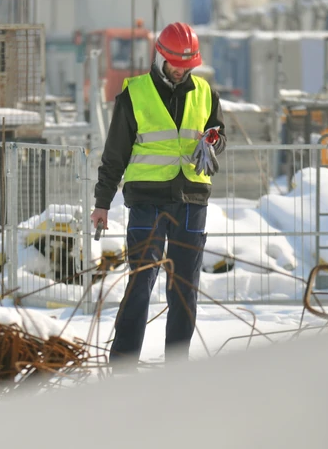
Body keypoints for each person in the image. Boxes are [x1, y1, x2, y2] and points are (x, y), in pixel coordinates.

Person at [90, 22, 227, 368]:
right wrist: (102, 203)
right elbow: (114, 155)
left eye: (187, 65)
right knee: (141, 283)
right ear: (160, 57)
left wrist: (213, 141)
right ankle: (122, 363)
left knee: (183, 289)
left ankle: (176, 369)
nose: (181, 71)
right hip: (147, 202)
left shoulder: (206, 92)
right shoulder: (134, 93)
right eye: (175, 64)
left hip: (191, 202)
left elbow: (218, 133)